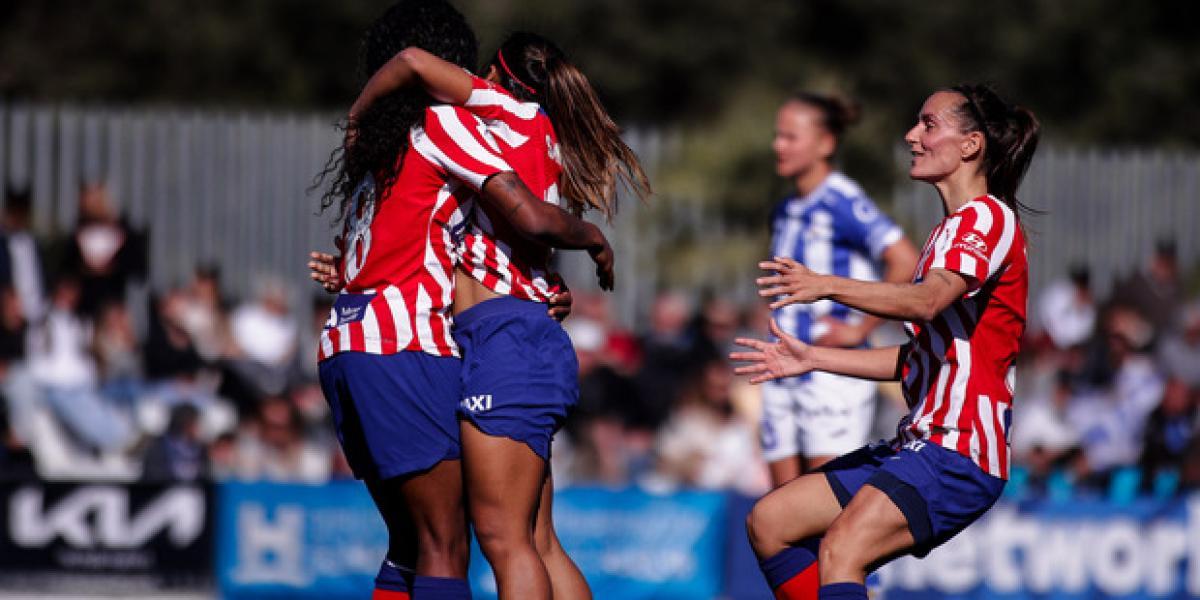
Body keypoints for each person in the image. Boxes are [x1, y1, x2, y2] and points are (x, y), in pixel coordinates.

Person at [316, 30, 650, 600]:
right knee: (537, 541)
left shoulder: (496, 111)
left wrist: (356, 118)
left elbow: (413, 63)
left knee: (502, 540)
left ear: (494, 75)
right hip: (517, 335)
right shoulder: (536, 135)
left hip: (505, 342)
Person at [732, 84, 1039, 599]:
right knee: (771, 520)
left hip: (959, 449)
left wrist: (825, 284)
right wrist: (812, 356)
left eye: (928, 124)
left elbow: (925, 302)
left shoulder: (987, 217)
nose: (912, 135)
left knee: (842, 551)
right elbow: (917, 360)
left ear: (970, 145)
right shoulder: (945, 235)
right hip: (920, 439)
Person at [761, 92, 918, 486]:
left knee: (818, 508)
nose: (778, 145)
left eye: (790, 137)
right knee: (777, 511)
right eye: (777, 136)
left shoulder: (842, 199)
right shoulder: (786, 209)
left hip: (831, 371)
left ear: (825, 144)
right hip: (782, 366)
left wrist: (860, 329)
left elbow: (905, 260)